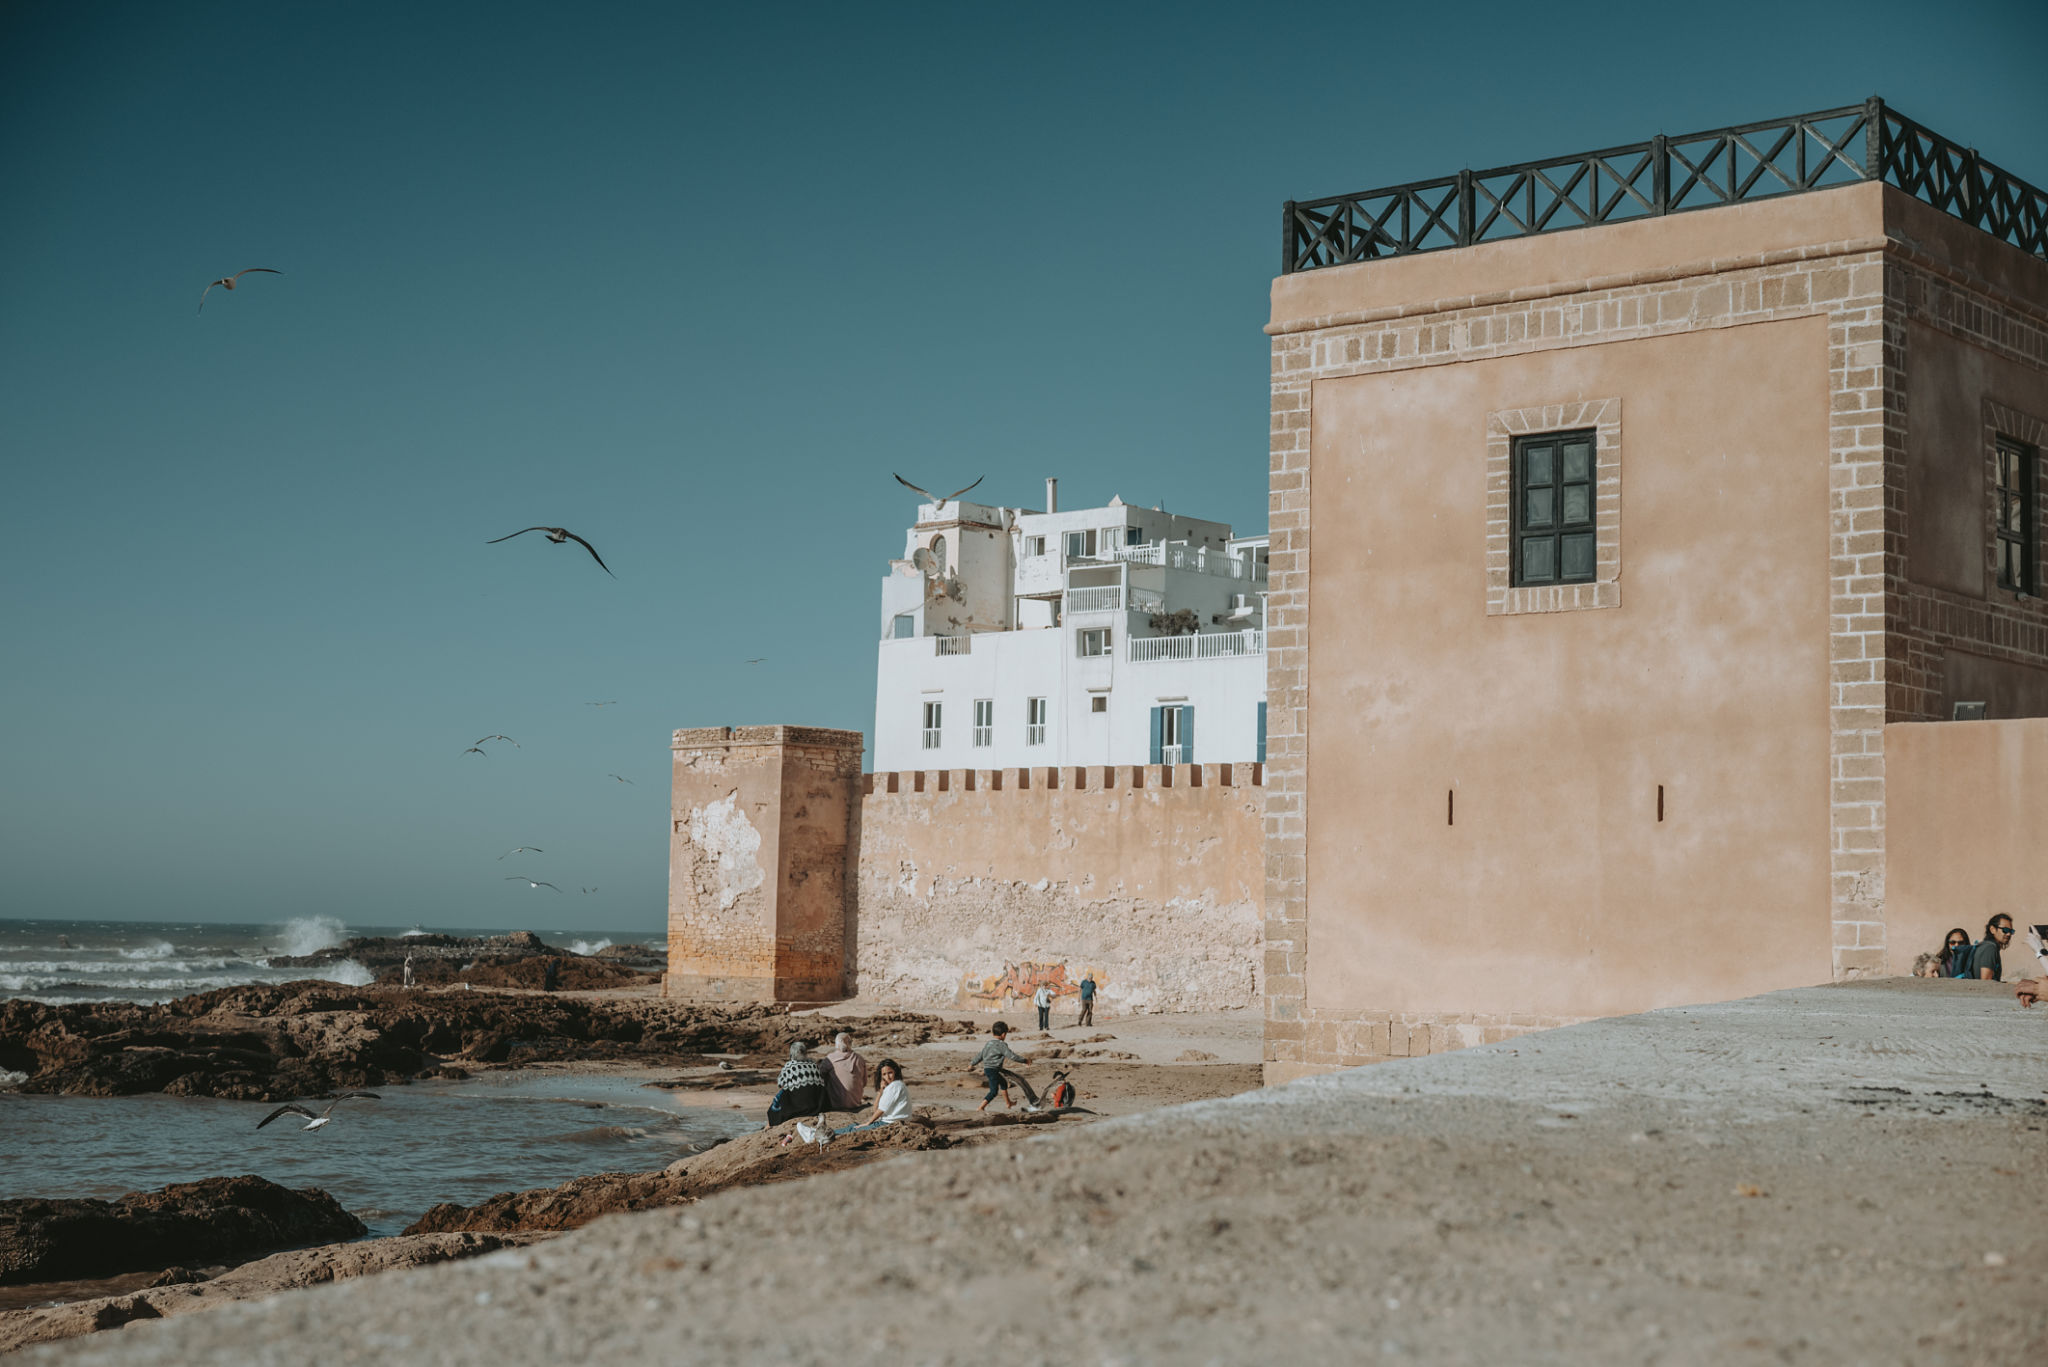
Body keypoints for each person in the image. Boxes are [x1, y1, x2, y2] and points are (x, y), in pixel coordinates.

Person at [830, 1059, 912, 1136]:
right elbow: (875, 1110)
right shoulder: (893, 1086)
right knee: (855, 1126)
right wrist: (880, 1092)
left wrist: (868, 1122)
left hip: (890, 1123)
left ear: (895, 1072)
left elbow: (881, 1110)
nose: (887, 1077)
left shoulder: (895, 1086)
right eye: (884, 1074)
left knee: (854, 1129)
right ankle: (827, 1132)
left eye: (890, 1073)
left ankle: (829, 1133)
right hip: (888, 1121)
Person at [969, 1021, 1037, 1111]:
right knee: (993, 1091)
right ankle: (981, 1107)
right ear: (1004, 1034)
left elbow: (980, 1055)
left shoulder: (988, 1044)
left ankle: (1008, 1103)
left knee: (1003, 1083)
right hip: (993, 1070)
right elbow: (1012, 1056)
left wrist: (972, 1064)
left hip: (988, 1069)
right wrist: (1024, 1061)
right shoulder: (1001, 1045)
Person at [767, 1041, 828, 1131]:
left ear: (792, 1054)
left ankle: (770, 1123)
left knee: (783, 1093)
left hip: (799, 1106)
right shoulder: (813, 1064)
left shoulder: (789, 1066)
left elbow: (780, 1084)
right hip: (816, 1105)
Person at [822, 1032, 868, 1111]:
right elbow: (864, 1082)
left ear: (836, 1044)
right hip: (856, 1103)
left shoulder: (830, 1058)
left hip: (836, 1105)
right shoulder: (860, 1058)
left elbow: (820, 1076)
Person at [1970, 915, 2015, 982]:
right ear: (1992, 929)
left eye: (2011, 931)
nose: (2008, 934)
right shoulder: (1990, 948)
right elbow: (1986, 982)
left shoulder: (1988, 946)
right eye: (2005, 930)